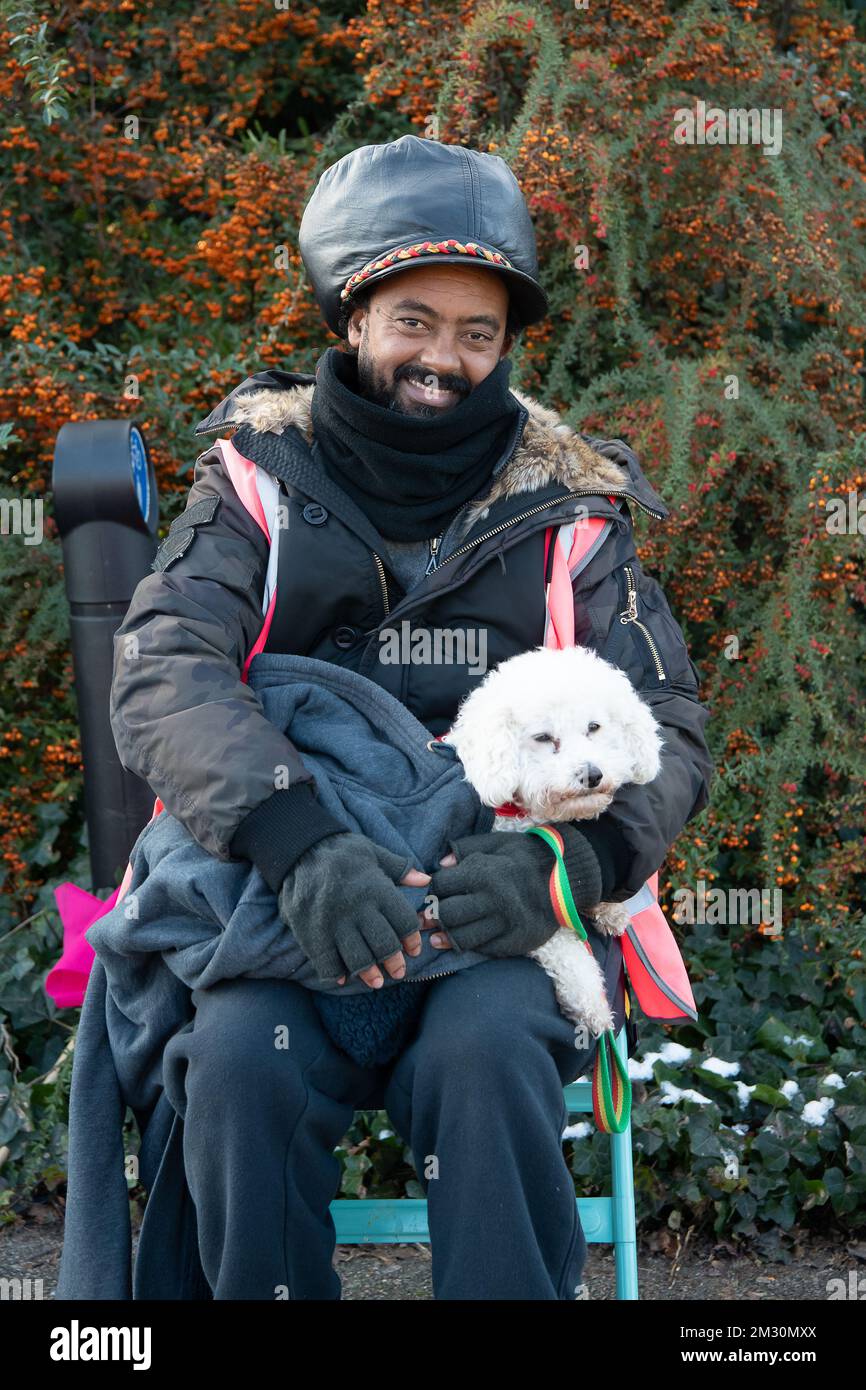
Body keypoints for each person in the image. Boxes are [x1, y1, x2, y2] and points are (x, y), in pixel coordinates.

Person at [105, 135, 714, 1300]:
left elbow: (666, 723)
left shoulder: (570, 510)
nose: (444, 356)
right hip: (301, 903)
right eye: (413, 320)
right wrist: (293, 835)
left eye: (477, 333)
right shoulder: (253, 481)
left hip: (494, 915)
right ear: (351, 317)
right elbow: (165, 664)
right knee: (236, 1062)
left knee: (487, 1054)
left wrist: (576, 860)